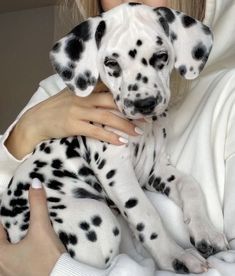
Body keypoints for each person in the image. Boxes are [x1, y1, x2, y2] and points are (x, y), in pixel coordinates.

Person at [1, 0, 235, 275]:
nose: (143, 95)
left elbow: (155, 169)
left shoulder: (226, 98)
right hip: (62, 204)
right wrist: (26, 130)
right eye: (114, 64)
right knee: (103, 226)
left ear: (181, 43)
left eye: (158, 58)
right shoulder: (58, 97)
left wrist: (58, 269)